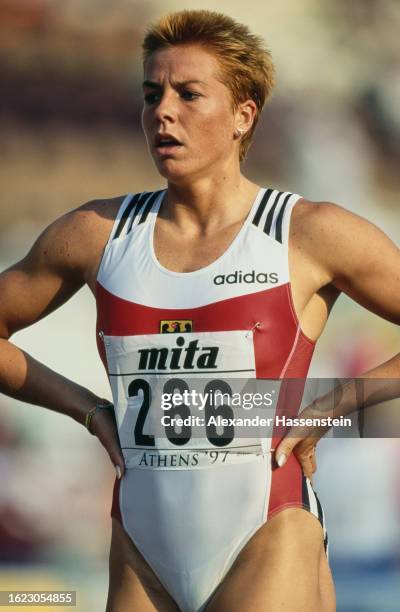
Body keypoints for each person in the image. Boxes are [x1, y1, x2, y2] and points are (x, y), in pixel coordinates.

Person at [0, 8, 399, 612]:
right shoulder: (96, 233)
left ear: (243, 116)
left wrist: (343, 400)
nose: (163, 111)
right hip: (141, 549)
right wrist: (87, 410)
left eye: (189, 94)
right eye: (151, 93)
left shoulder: (310, 233)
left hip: (267, 536)